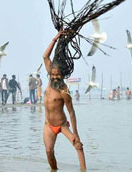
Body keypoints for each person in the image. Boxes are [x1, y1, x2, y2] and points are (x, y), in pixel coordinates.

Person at [42, 30, 86, 170]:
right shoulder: (50, 81)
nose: (55, 77)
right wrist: (55, 38)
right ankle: (54, 169)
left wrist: (76, 133)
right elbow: (45, 56)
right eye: (53, 74)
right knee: (49, 152)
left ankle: (83, 169)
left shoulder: (64, 90)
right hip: (49, 125)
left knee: (77, 145)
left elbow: (71, 112)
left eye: (57, 75)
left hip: (62, 125)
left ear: (62, 75)